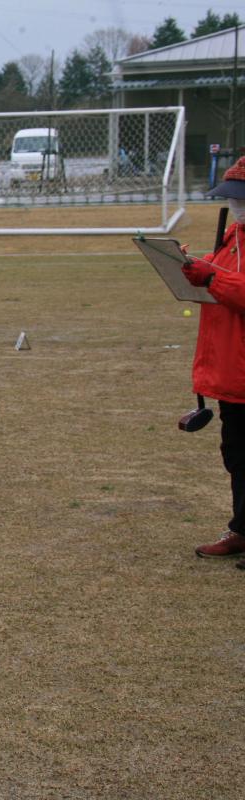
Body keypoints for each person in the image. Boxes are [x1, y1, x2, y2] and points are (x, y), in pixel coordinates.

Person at [184, 156, 245, 566]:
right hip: (231, 369)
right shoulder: (234, 236)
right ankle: (242, 528)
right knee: (237, 454)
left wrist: (210, 277)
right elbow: (223, 276)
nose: (235, 206)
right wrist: (192, 266)